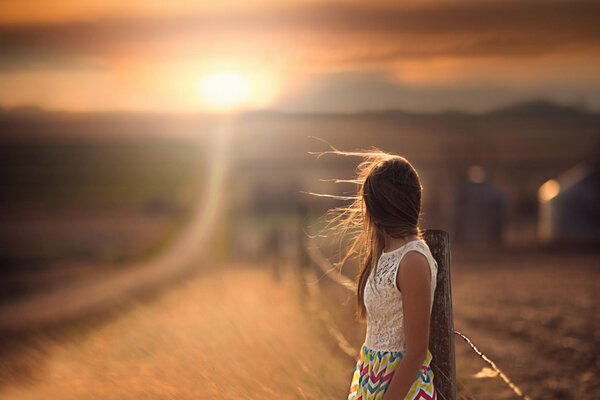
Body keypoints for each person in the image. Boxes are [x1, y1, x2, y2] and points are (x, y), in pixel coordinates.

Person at [315, 147, 438, 399]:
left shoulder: (412, 260)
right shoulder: (385, 253)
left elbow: (416, 350)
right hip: (373, 379)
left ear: (378, 208)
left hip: (402, 389)